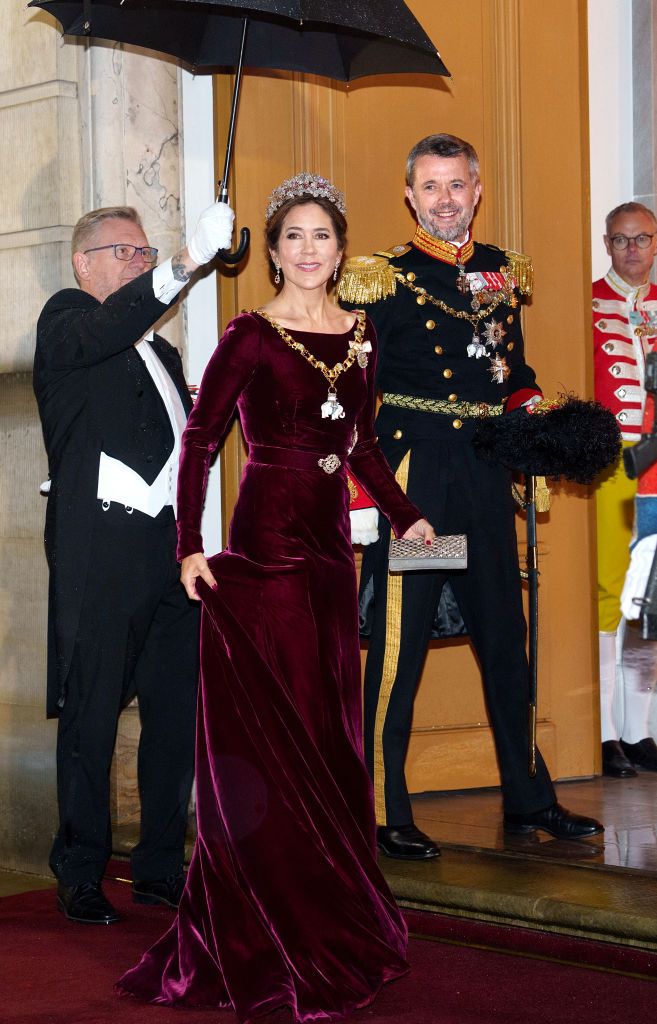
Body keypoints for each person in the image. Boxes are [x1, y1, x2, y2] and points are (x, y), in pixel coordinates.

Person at [117, 172, 434, 1022]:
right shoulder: (250, 334)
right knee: (276, 735)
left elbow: (361, 445)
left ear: (339, 249)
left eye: (320, 236)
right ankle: (266, 918)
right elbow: (200, 440)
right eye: (291, 235)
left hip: (331, 552)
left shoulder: (360, 335)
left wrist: (403, 515)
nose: (306, 249)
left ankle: (332, 904)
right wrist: (187, 544)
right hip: (265, 543)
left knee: (329, 732)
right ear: (275, 248)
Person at [338, 133, 604, 860]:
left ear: (476, 189)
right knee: (403, 649)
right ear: (409, 195)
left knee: (501, 641)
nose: (444, 200)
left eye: (456, 185)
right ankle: (381, 807)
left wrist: (534, 411)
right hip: (419, 481)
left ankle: (527, 799)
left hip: (486, 475)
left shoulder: (497, 272)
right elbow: (355, 389)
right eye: (430, 187)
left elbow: (507, 369)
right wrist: (368, 491)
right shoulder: (379, 278)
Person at [33, 199, 235, 924]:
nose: (140, 263)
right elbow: (107, 326)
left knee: (175, 715)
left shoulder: (164, 353)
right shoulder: (65, 321)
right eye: (125, 252)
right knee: (90, 717)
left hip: (170, 554)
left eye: (146, 254)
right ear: (84, 263)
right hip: (102, 552)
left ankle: (157, 866)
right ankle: (81, 869)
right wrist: (184, 263)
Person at [593, 201, 657, 778]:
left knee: (649, 596)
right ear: (607, 244)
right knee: (610, 591)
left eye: (642, 239)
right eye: (621, 240)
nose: (632, 250)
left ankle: (639, 732)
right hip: (613, 464)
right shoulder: (586, 302)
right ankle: (603, 731)